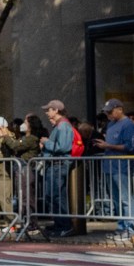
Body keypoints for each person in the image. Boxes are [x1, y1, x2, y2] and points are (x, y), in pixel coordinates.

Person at [93, 98, 134, 237]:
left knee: (125, 198)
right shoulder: (111, 124)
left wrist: (108, 146)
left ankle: (129, 228)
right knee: (116, 198)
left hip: (122, 166)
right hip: (110, 165)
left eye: (110, 112)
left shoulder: (128, 125)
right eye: (107, 112)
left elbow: (130, 146)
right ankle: (121, 227)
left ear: (119, 109)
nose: (108, 115)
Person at [39, 100, 76, 236]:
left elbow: (63, 147)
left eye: (49, 110)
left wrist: (46, 142)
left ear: (56, 110)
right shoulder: (60, 126)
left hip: (58, 165)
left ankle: (64, 226)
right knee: (52, 196)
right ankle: (59, 224)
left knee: (57, 196)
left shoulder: (63, 126)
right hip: (54, 165)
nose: (47, 112)